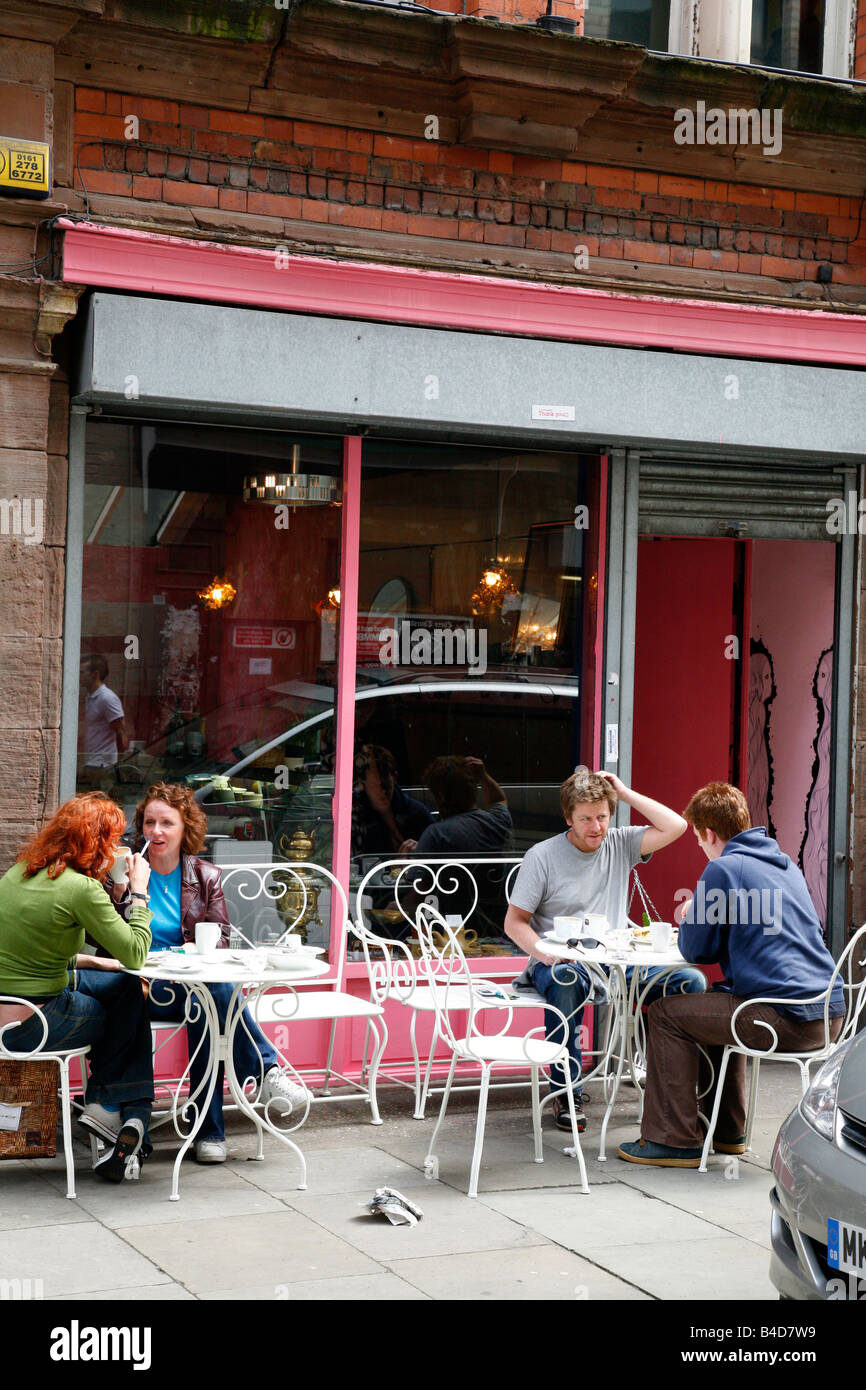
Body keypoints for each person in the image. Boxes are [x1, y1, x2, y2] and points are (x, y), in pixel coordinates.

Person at [617, 782, 846, 1168]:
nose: (700, 847)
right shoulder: (784, 864)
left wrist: (692, 913)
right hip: (828, 1015)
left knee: (666, 1014)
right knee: (716, 1006)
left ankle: (673, 1139)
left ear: (709, 832)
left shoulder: (722, 868)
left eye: (698, 839)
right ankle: (726, 1133)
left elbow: (696, 950)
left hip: (782, 1019)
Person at [505, 767, 704, 1132]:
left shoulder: (620, 842)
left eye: (602, 817)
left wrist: (624, 794)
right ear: (568, 818)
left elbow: (676, 826)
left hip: (617, 960)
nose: (596, 827)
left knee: (690, 981)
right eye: (585, 819)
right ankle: (566, 1091)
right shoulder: (542, 856)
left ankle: (672, 1089)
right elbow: (514, 922)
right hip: (563, 959)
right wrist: (545, 953)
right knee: (565, 979)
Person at [129, 783, 308, 1164]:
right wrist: (128, 887)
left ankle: (209, 1132)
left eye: (166, 823)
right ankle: (261, 1075)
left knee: (211, 1007)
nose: (155, 832)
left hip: (191, 987)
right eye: (149, 822)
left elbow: (221, 938)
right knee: (217, 999)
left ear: (184, 829)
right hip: (144, 989)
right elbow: (107, 936)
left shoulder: (205, 875)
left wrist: (195, 950)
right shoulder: (127, 870)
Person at [0, 792, 154, 1181]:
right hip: (34, 1024)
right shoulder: (80, 889)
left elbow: (31, 950)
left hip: (9, 1009)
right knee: (129, 999)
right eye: (114, 840)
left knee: (121, 985)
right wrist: (137, 891)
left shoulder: (19, 873)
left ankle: (115, 1107)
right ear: (98, 844)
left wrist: (94, 960)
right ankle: (111, 1102)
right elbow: (136, 953)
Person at [415, 756, 512, 855]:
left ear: (440, 796)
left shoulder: (435, 835)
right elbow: (499, 800)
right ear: (473, 790)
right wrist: (483, 775)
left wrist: (404, 861)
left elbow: (417, 870)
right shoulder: (498, 822)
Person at [352, 744, 433, 856]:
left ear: (395, 778)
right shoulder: (355, 816)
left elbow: (436, 853)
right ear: (362, 784)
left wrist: (420, 849)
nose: (383, 791)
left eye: (386, 785)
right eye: (376, 785)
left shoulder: (417, 813)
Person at [81, 654, 128, 785]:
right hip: (92, 761)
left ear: (95, 674)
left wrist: (117, 763)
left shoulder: (106, 698)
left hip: (102, 765)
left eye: (82, 672)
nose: (79, 676)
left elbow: (120, 730)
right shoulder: (90, 696)